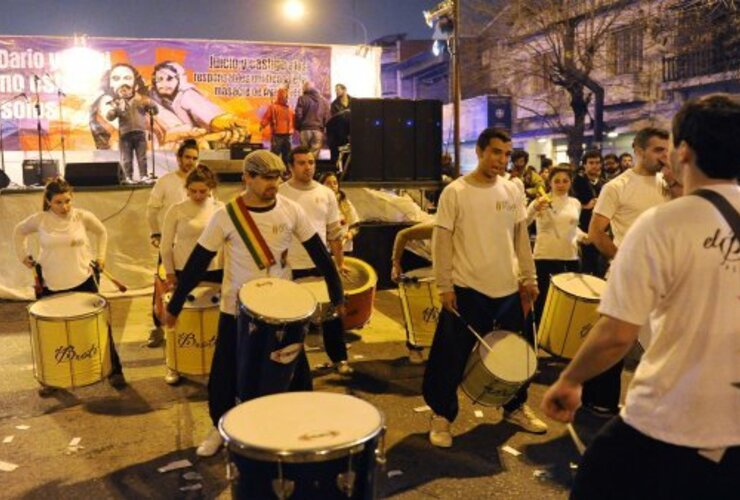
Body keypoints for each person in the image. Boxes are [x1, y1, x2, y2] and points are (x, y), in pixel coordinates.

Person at [542, 94, 739, 499]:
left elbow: (616, 335)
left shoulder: (661, 223)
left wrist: (569, 380)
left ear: (683, 152)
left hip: (668, 419)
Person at [164, 150, 344, 457]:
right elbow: (198, 261)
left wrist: (337, 294)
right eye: (265, 177)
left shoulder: (290, 210)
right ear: (247, 177)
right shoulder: (226, 215)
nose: (273, 183)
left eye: (276, 177)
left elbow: (319, 253)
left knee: (295, 368)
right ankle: (220, 428)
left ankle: (302, 427)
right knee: (224, 373)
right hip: (237, 308)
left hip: (283, 309)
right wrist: (175, 305)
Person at [422, 127, 547, 448]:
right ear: (479, 151)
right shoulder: (456, 192)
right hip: (466, 288)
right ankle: (441, 415)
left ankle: (515, 407)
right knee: (449, 357)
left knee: (515, 355)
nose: (502, 160)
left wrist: (529, 279)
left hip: (508, 290)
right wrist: (444, 285)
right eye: (495, 152)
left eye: (506, 154)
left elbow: (521, 237)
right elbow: (443, 241)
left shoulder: (512, 190)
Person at [583, 127, 681, 416]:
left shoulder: (669, 184)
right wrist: (625, 258)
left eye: (667, 149)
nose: (664, 155)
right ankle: (599, 401)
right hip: (628, 276)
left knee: (663, 342)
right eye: (657, 150)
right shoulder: (616, 186)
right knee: (614, 341)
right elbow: (596, 232)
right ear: (638, 151)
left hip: (664, 276)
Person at [13, 178, 125, 394]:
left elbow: (102, 232)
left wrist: (101, 258)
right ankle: (51, 378)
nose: (64, 207)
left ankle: (115, 370)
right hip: (50, 282)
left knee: (99, 326)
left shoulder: (82, 217)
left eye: (67, 201)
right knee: (50, 333)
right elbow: (19, 231)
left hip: (83, 279)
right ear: (48, 201)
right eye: (58, 202)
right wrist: (23, 256)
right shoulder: (40, 220)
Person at [279, 147, 353, 375]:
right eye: (301, 163)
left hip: (320, 264)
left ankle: (339, 358)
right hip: (290, 266)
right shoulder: (280, 193)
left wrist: (338, 263)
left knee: (331, 316)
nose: (307, 167)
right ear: (290, 166)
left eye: (310, 162)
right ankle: (290, 365)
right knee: (292, 321)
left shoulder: (326, 194)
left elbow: (333, 233)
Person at [159, 164, 224, 384]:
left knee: (214, 318)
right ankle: (173, 364)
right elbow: (165, 245)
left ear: (211, 188)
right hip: (183, 270)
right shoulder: (176, 210)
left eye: (202, 191)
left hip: (215, 269)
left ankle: (212, 361)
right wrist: (169, 273)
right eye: (193, 191)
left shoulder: (220, 208)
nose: (197, 195)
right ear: (186, 189)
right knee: (177, 317)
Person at [145, 139, 200, 347]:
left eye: (195, 158)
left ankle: (190, 327)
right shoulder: (166, 181)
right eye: (187, 157)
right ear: (178, 158)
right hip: (169, 246)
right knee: (163, 286)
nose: (191, 162)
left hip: (195, 245)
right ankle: (158, 328)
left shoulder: (202, 183)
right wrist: (156, 233)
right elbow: (151, 209)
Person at [526, 165, 588, 323]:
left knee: (568, 302)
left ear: (571, 182)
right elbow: (524, 222)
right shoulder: (541, 201)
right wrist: (534, 208)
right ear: (550, 182)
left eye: (565, 181)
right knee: (544, 302)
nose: (561, 185)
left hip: (570, 257)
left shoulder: (575, 203)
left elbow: (573, 228)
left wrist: (583, 236)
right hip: (544, 257)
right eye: (557, 181)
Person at [150, 61, 250, 147]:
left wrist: (227, 122)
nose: (163, 84)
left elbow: (210, 116)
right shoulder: (154, 97)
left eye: (169, 79)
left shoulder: (186, 95)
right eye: (159, 80)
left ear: (180, 79)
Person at [390, 220, 435, 364]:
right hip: (418, 259)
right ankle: (414, 346)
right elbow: (403, 234)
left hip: (442, 265)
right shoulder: (438, 225)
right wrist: (396, 263)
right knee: (418, 306)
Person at [105, 66, 159, 183]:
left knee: (142, 157)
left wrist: (151, 104)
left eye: (126, 90)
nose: (123, 92)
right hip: (125, 135)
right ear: (119, 93)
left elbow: (155, 111)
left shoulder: (140, 100)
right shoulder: (118, 103)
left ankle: (144, 176)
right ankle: (128, 177)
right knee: (127, 158)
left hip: (139, 133)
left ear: (131, 90)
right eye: (121, 91)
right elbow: (109, 117)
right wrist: (114, 110)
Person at [572, 150, 605, 277]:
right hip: (583, 230)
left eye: (597, 163)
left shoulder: (604, 184)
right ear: (584, 165)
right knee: (584, 268)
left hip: (601, 231)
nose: (595, 166)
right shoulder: (576, 182)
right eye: (591, 163)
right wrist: (585, 206)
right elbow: (569, 204)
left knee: (599, 269)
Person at [319, 171, 359, 254]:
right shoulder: (317, 203)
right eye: (328, 183)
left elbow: (355, 224)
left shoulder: (344, 202)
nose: (333, 186)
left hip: (344, 247)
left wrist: (350, 233)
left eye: (335, 183)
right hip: (325, 249)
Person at [294, 81, 330, 158]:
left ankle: (304, 169)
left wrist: (298, 127)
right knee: (314, 156)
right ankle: (312, 169)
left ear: (306, 89)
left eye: (303, 87)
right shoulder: (324, 101)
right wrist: (323, 128)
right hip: (318, 130)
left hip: (305, 130)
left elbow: (298, 114)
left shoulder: (302, 99)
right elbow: (327, 117)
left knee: (304, 153)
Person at [260, 87, 294, 168]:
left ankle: (286, 170)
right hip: (277, 134)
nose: (286, 98)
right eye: (284, 96)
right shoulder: (273, 107)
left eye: (286, 96)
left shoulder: (289, 107)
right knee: (275, 154)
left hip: (288, 134)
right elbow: (267, 117)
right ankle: (273, 169)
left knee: (287, 155)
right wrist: (262, 125)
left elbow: (293, 119)